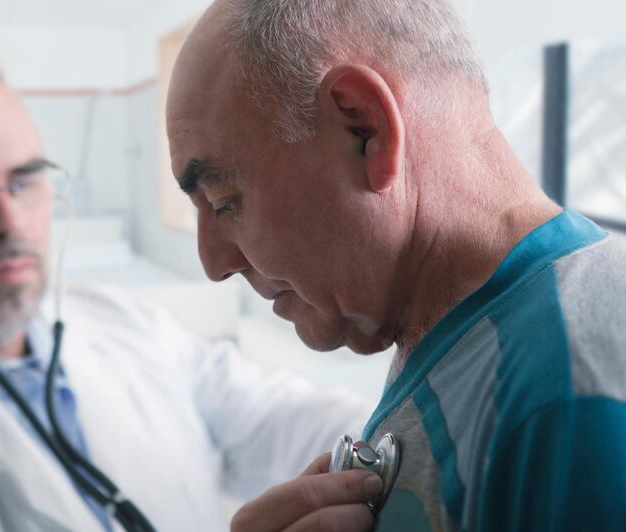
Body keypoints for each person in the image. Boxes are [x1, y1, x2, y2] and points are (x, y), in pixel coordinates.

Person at [0, 51, 377, 532]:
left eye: (24, 181)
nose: (8, 222)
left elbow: (277, 419)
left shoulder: (123, 323)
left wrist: (423, 439)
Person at [166, 0, 626, 530]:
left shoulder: (566, 399)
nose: (213, 263)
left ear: (364, 130)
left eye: (225, 200)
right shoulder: (459, 337)